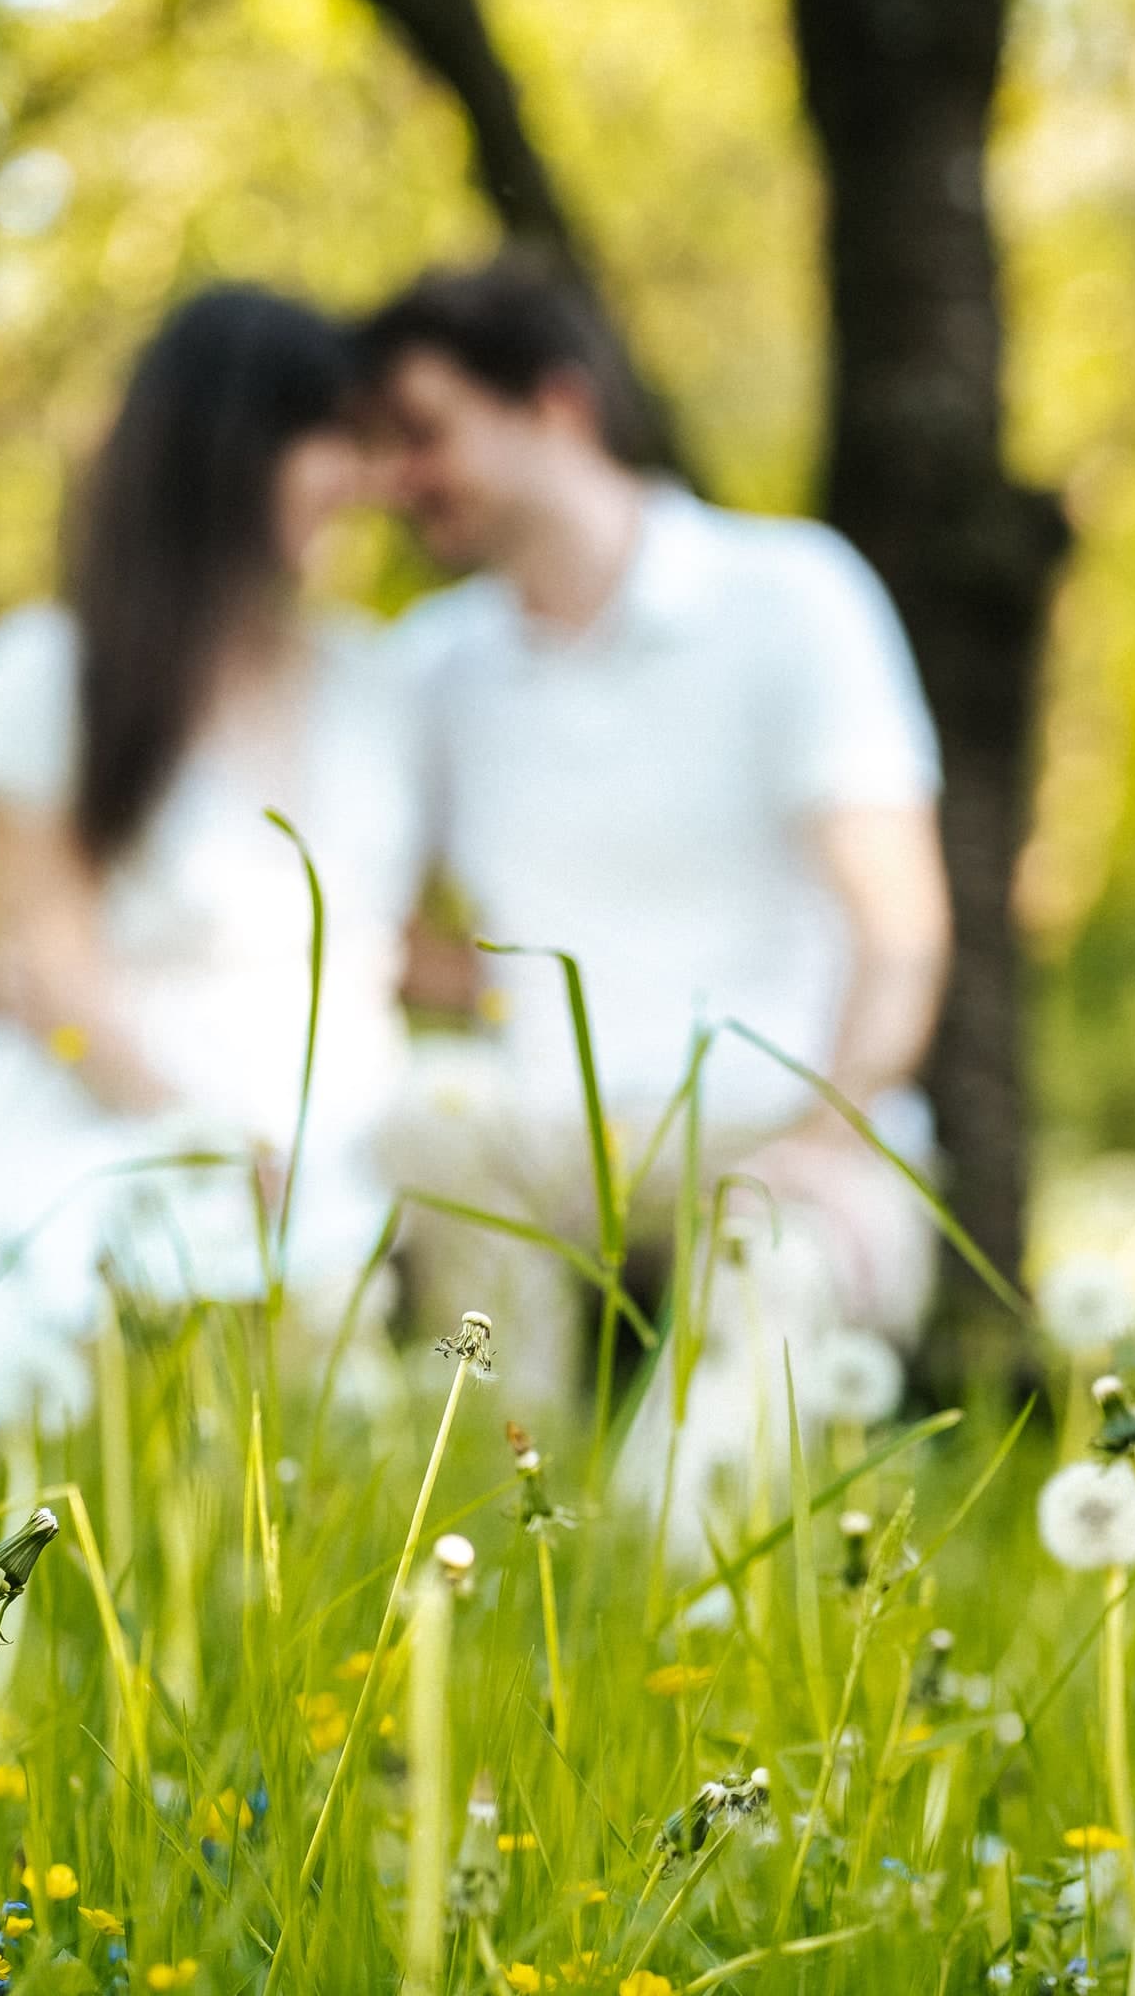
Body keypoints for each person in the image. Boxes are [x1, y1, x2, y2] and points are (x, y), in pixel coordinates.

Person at [357, 259, 950, 1549]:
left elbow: (900, 931)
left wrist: (828, 1133)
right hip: (548, 1126)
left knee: (705, 1453)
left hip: (785, 1119)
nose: (399, 479)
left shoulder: (790, 594)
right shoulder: (433, 665)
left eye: (424, 432)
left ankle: (665, 1596)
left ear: (555, 410)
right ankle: (497, 1562)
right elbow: (361, 935)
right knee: (423, 1132)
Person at [0, 286, 432, 1446]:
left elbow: (404, 943)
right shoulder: (52, 674)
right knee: (100, 1424)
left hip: (352, 1154)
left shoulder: (377, 680)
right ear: (230, 447)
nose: (363, 478)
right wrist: (215, 1149)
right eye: (329, 438)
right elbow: (42, 972)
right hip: (114, 1125)